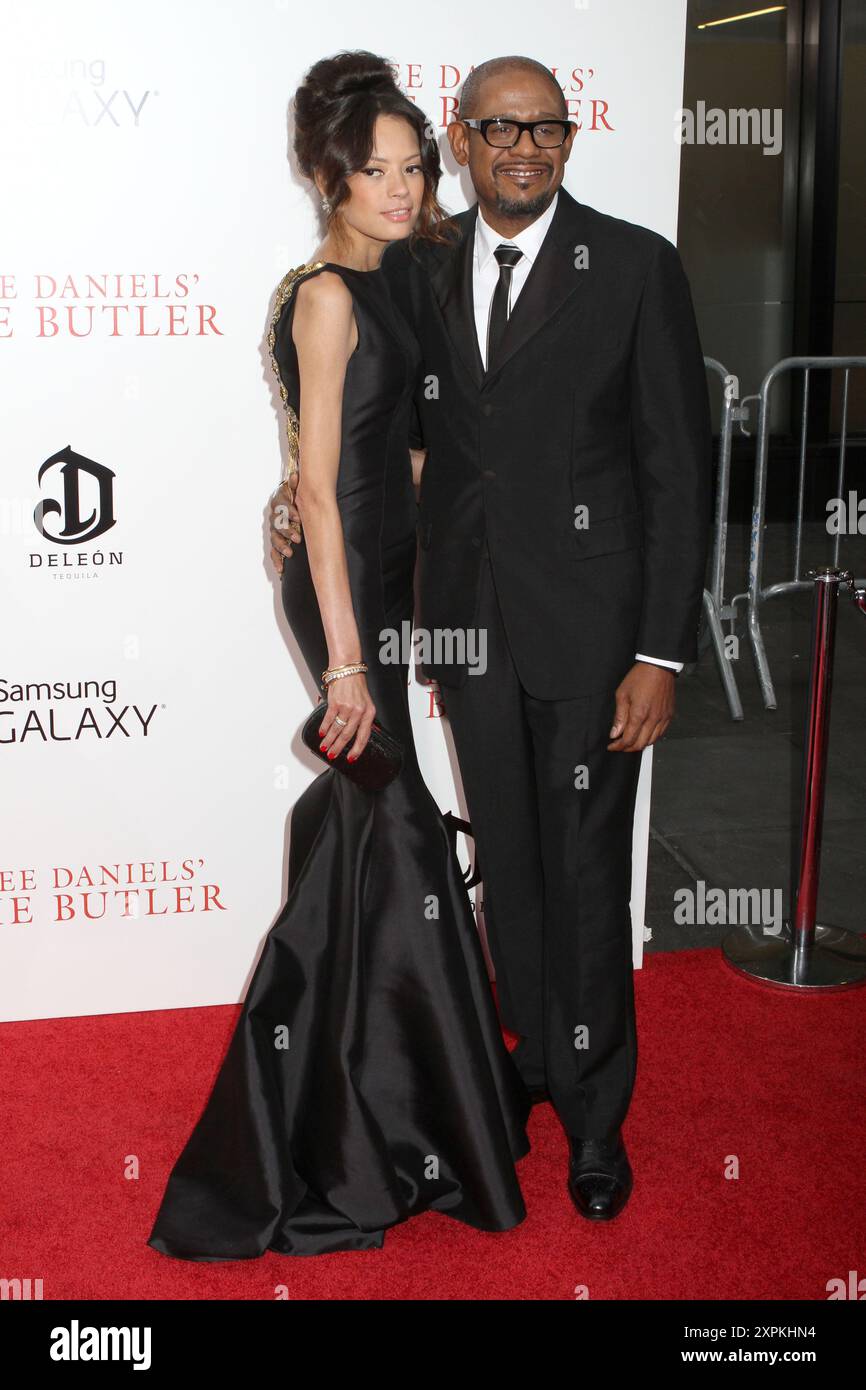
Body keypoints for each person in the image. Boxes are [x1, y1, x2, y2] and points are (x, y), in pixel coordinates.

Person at [271, 54, 713, 1222]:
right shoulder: (420, 265)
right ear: (461, 140)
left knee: (583, 875)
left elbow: (679, 472)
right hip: (466, 628)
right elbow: (377, 418)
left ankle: (595, 1117)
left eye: (544, 129)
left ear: (567, 140)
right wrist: (301, 493)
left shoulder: (631, 268)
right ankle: (524, 1069)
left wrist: (660, 652)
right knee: (506, 867)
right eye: (496, 130)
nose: (522, 148)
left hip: (595, 636)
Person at [147, 51, 530, 1262]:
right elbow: (317, 491)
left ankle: (377, 1099)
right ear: (327, 177)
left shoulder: (405, 276)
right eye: (377, 172)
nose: (404, 189)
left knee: (378, 839)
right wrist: (352, 667)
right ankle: (360, 1120)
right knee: (401, 824)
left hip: (395, 577)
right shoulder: (323, 293)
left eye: (415, 167)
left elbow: (403, 447)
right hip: (341, 597)